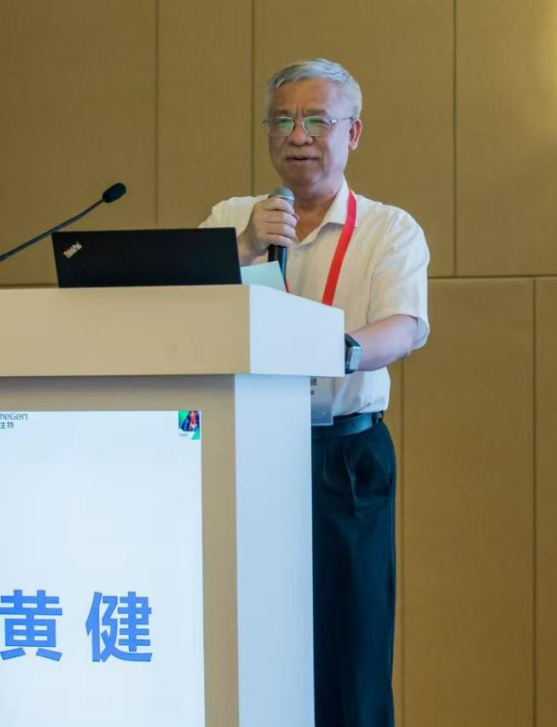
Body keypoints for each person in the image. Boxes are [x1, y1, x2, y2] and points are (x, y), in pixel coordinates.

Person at [200, 58, 430, 727]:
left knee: (350, 644)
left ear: (352, 133)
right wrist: (245, 246)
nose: (297, 135)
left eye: (316, 121)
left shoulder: (388, 229)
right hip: (245, 454)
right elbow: (182, 303)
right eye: (282, 120)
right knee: (246, 632)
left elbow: (404, 326)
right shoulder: (233, 217)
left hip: (343, 457)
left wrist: (332, 350)